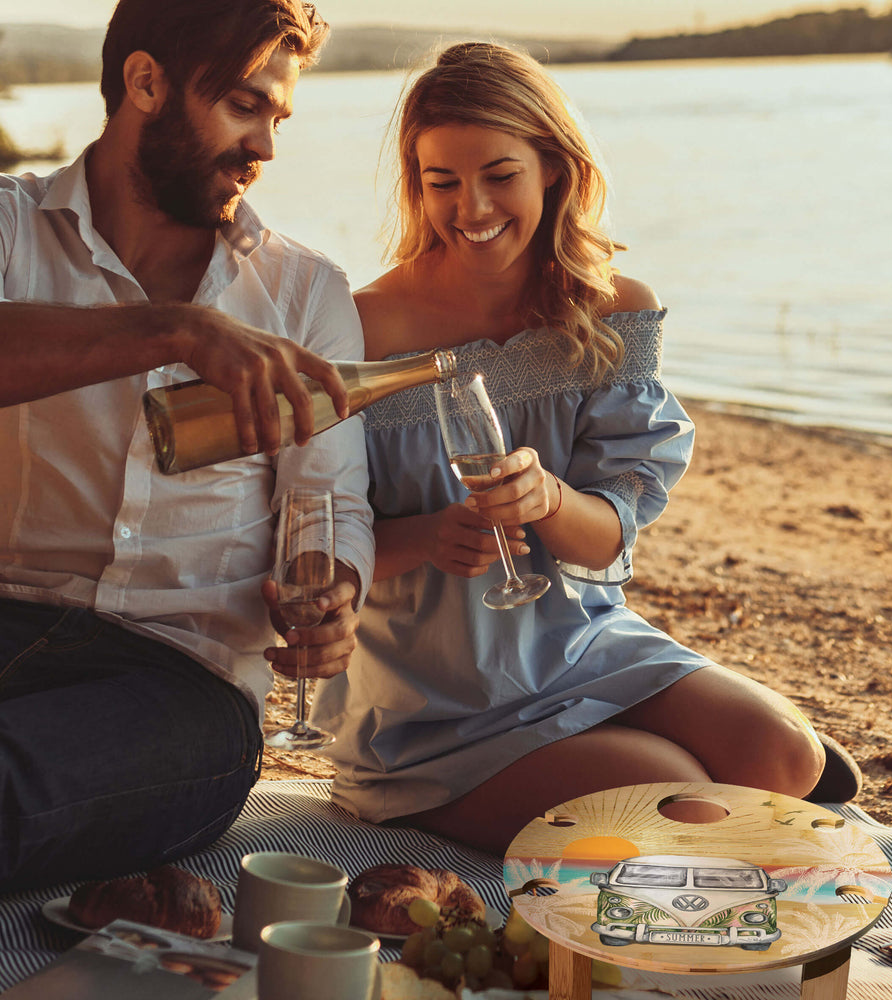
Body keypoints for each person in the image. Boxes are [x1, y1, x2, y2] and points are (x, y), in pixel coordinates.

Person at [308, 42, 842, 857]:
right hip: (437, 699)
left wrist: (551, 500)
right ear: (415, 185)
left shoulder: (611, 311)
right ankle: (417, 796)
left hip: (580, 643)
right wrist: (424, 538)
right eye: (440, 181)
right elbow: (317, 535)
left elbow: (612, 535)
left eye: (499, 174)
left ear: (552, 167)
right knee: (676, 802)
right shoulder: (363, 328)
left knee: (786, 755)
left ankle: (626, 759)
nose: (471, 206)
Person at [0, 0, 373, 891]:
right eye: (245, 106)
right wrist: (172, 331)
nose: (268, 148)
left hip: (185, 678)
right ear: (144, 82)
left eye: (278, 117)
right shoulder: (9, 228)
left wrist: (333, 585)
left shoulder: (306, 291)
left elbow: (334, 499)